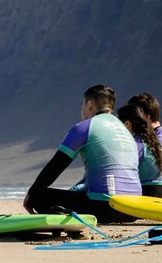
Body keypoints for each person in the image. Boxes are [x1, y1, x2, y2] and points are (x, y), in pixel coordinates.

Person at [23, 85, 141, 223]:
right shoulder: (125, 131)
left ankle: (66, 217)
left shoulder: (85, 127)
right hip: (133, 209)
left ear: (89, 104)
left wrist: (31, 194)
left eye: (82, 104)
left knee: (39, 195)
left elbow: (56, 166)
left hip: (107, 209)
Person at [116, 104, 162, 200]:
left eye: (118, 124)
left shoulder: (136, 144)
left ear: (127, 124)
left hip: (154, 192)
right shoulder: (151, 140)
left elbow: (122, 173)